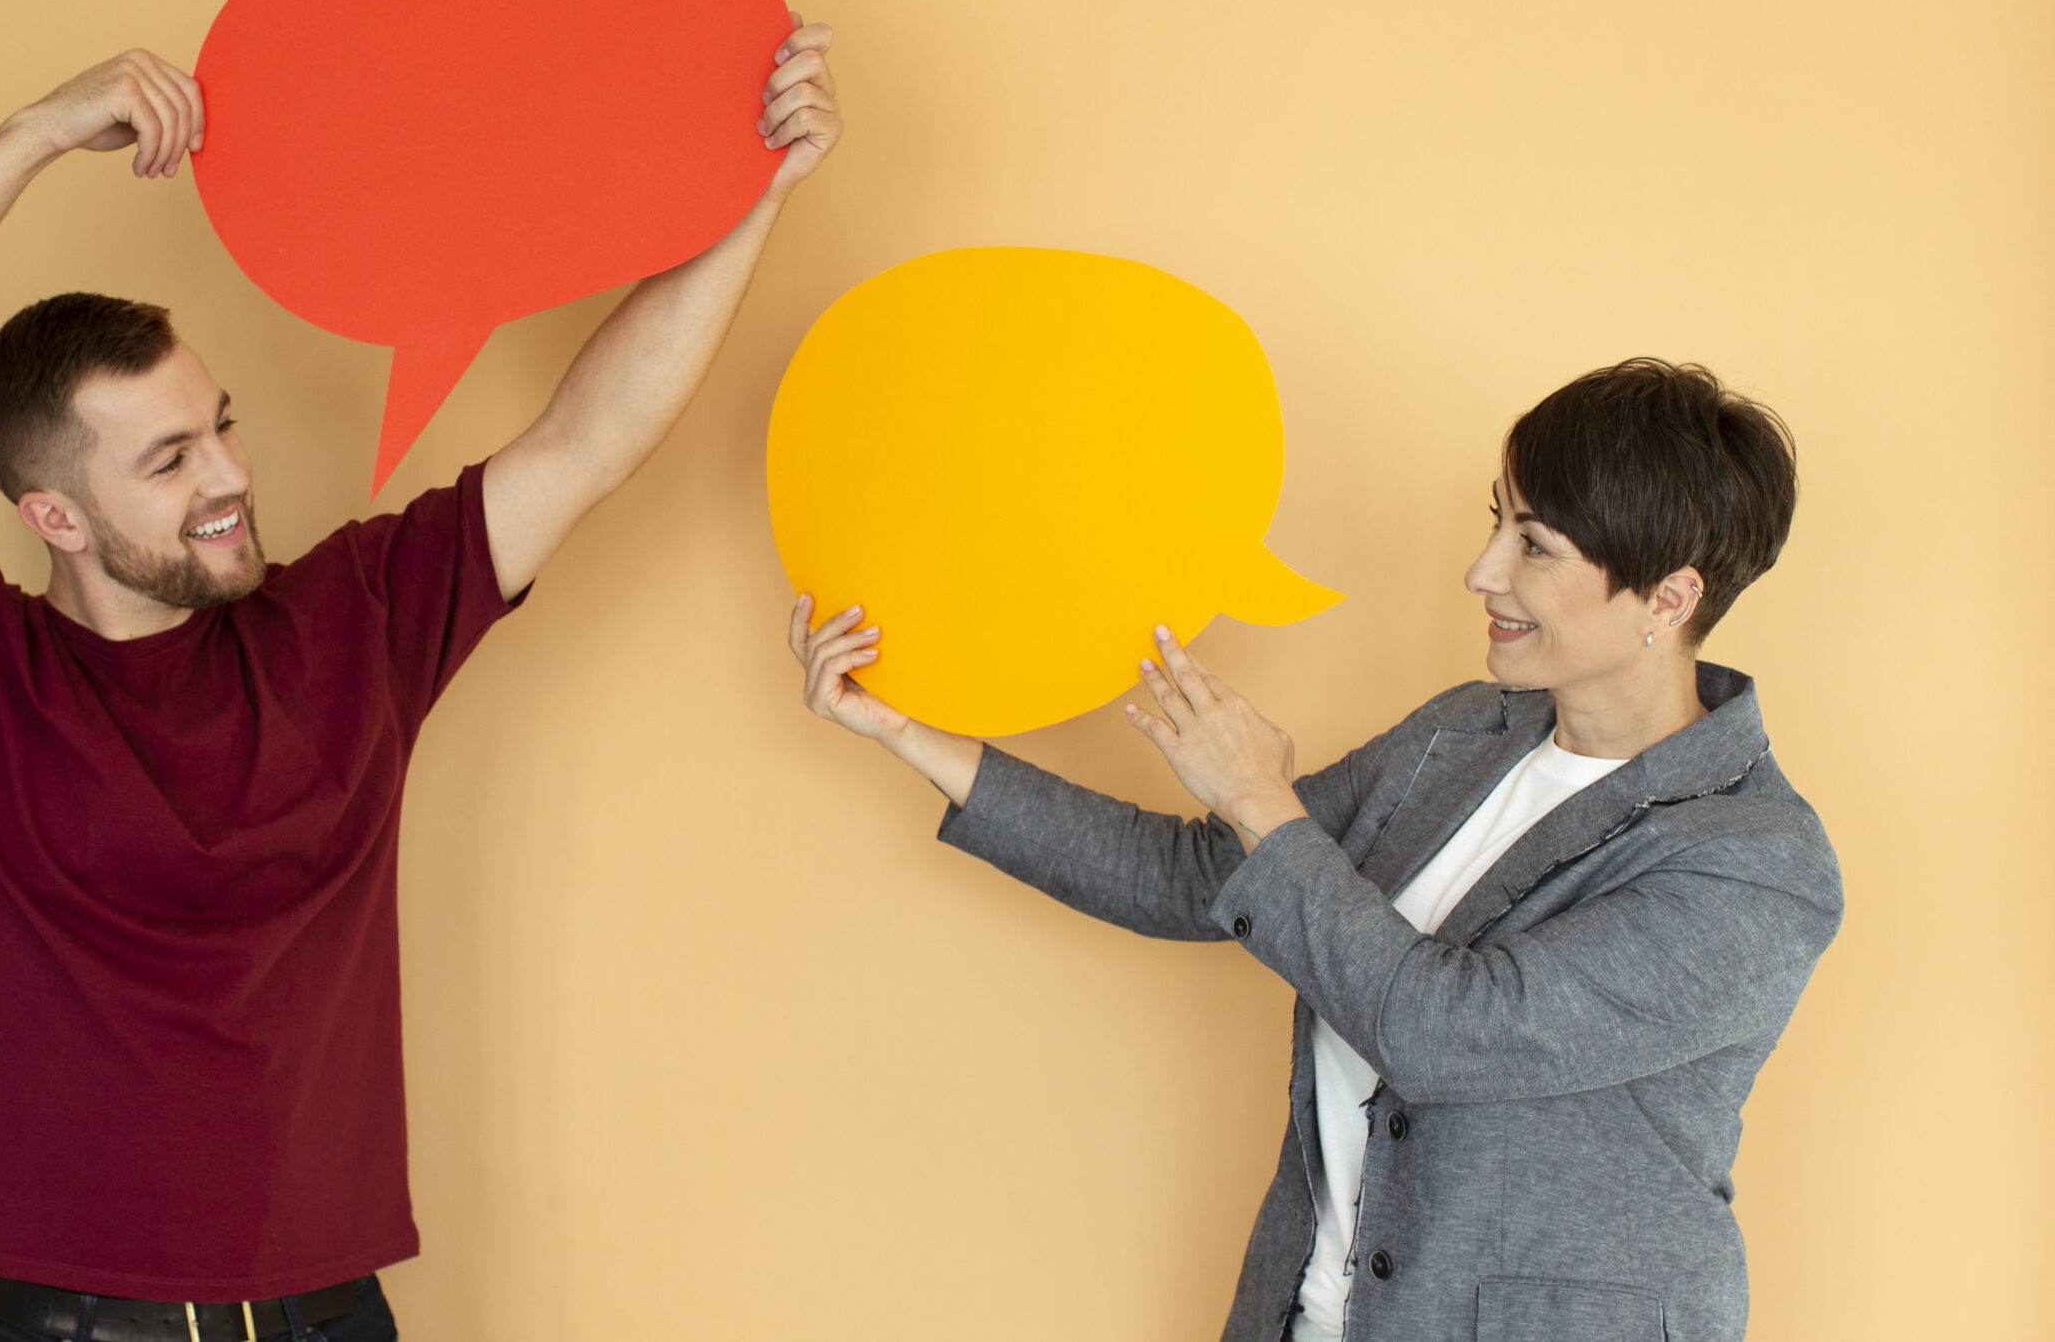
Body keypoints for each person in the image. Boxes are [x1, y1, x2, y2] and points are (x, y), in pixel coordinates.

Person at [0, 27, 840, 1341]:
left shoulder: (354, 623)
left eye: (220, 425)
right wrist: (36, 134)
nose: (227, 477)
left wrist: (758, 185)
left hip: (329, 1318)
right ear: (54, 515)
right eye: (168, 460)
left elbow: (586, 440)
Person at [789, 359, 1841, 1342]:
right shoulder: (1463, 735)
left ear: (1669, 598)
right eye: (1497, 521)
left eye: (1534, 545)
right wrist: (904, 731)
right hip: (1316, 1312)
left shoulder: (1754, 864)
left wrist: (1261, 800)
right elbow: (1198, 877)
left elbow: (1448, 1035)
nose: (1480, 570)